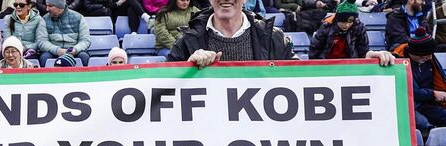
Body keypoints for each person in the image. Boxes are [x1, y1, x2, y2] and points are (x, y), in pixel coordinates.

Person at [166, 0, 394, 67]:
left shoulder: (273, 38)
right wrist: (186, 69)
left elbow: (302, 86)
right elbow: (163, 94)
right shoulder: (187, 41)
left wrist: (366, 69)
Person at [392, 28, 446, 131]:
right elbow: (404, 91)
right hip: (406, 105)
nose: (430, 58)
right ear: (415, 53)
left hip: (426, 103)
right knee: (422, 123)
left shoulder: (429, 59)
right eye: (425, 56)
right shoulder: (398, 62)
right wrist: (433, 94)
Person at [39, 0, 90, 67]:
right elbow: (42, 42)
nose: (47, 9)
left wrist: (75, 49)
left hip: (74, 50)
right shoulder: (44, 19)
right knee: (44, 57)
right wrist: (57, 50)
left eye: (50, 6)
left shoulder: (78, 18)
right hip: (53, 51)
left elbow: (85, 40)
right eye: (47, 5)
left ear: (59, 6)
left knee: (84, 57)